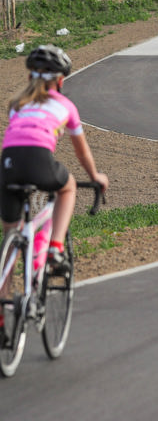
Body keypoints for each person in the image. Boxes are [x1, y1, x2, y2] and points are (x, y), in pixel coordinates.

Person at [0, 46, 109, 280]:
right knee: (67, 187)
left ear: (30, 77)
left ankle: (1, 312)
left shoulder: (16, 104)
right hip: (39, 159)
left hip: (8, 163)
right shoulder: (66, 106)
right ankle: (55, 247)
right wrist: (94, 176)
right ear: (60, 81)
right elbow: (82, 152)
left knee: (9, 243)